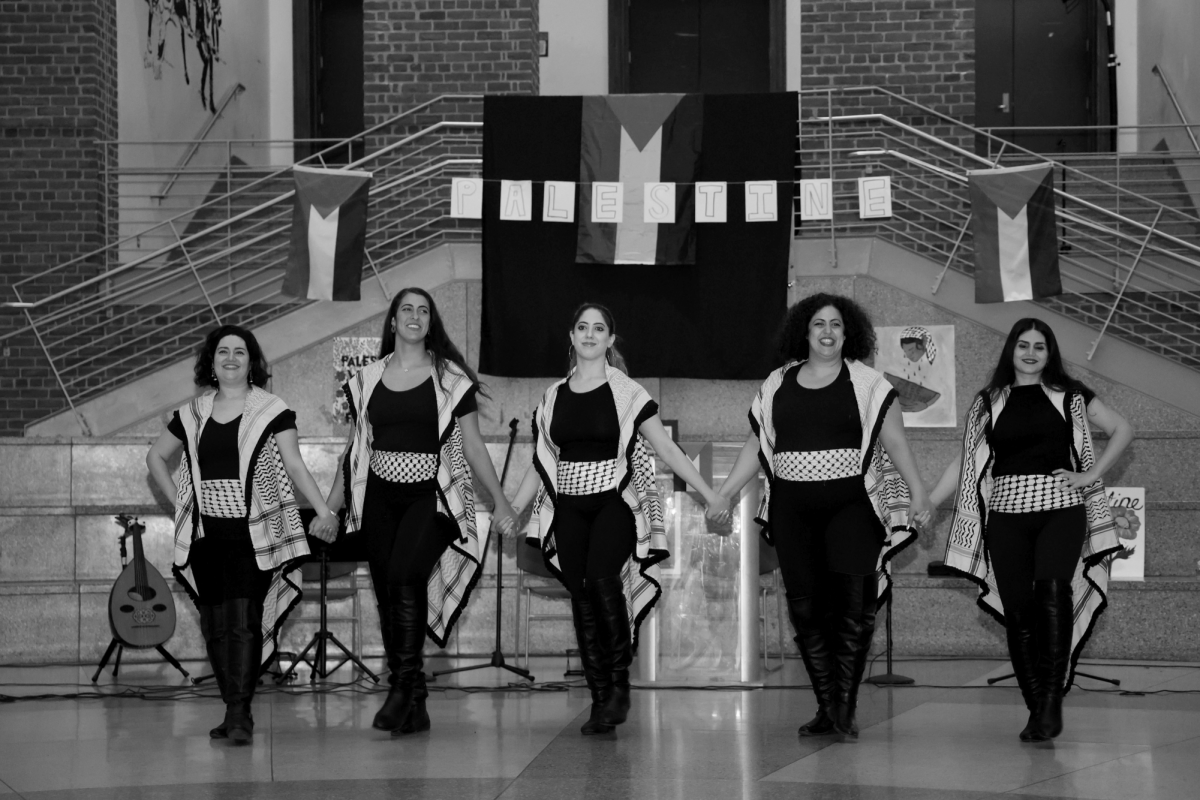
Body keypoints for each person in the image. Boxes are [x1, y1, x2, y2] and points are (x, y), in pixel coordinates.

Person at [714, 293, 931, 740]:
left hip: (852, 506)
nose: (827, 331)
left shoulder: (870, 384)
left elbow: (896, 444)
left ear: (847, 332)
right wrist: (724, 494)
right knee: (807, 611)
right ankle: (826, 705)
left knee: (852, 609)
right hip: (793, 509)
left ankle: (845, 709)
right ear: (804, 332)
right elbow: (756, 447)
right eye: (818, 324)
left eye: (835, 324)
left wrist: (920, 492)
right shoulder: (777, 383)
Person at [508, 303, 729, 736]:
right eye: (582, 327)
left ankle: (619, 682)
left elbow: (666, 449)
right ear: (571, 337)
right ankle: (600, 696)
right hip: (568, 504)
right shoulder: (552, 397)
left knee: (602, 579)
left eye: (599, 329)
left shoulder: (628, 393)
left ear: (610, 340)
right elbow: (541, 463)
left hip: (614, 501)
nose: (590, 334)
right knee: (581, 594)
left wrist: (709, 494)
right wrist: (512, 509)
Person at [322, 288, 517, 737]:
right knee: (389, 595)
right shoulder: (366, 379)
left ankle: (401, 686)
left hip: (431, 498)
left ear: (431, 323)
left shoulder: (450, 379)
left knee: (406, 578)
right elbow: (354, 452)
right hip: (378, 499)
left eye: (423, 311)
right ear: (393, 321)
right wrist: (330, 510)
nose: (414, 316)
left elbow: (471, 446)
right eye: (406, 309)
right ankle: (416, 701)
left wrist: (501, 501)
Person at [929, 318, 1131, 742]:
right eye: (1023, 344)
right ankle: (1036, 705)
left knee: (1054, 594)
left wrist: (1089, 474)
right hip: (1006, 514)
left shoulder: (1071, 395)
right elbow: (966, 463)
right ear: (1011, 350)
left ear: (1050, 353)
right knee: (1019, 612)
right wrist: (929, 501)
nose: (1031, 352)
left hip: (1061, 509)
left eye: (1040, 346)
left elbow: (1122, 429)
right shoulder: (989, 401)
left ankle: (1053, 700)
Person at [146, 325, 339, 744]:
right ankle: (232, 705)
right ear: (211, 363)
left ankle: (240, 712)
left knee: (244, 623)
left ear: (252, 362)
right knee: (215, 625)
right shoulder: (193, 412)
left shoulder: (272, 409)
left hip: (256, 533)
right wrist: (181, 502)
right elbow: (156, 457)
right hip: (205, 536)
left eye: (240, 352)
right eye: (222, 352)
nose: (231, 358)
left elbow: (294, 464)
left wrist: (324, 509)